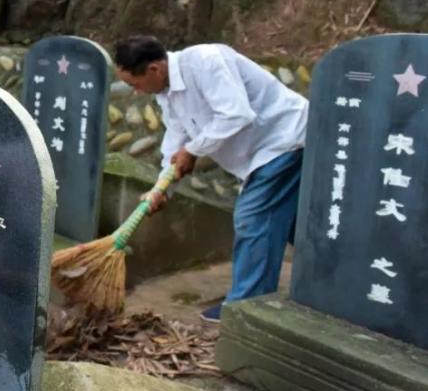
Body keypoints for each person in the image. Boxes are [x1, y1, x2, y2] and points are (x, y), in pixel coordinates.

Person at [112, 36, 308, 322]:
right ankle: (334, 278)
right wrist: (162, 188)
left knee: (253, 218)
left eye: (134, 84)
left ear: (154, 69)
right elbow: (176, 141)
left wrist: (194, 150)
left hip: (284, 139)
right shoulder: (167, 93)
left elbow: (236, 114)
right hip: (263, 152)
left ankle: (245, 308)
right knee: (292, 224)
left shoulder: (206, 62)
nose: (135, 92)